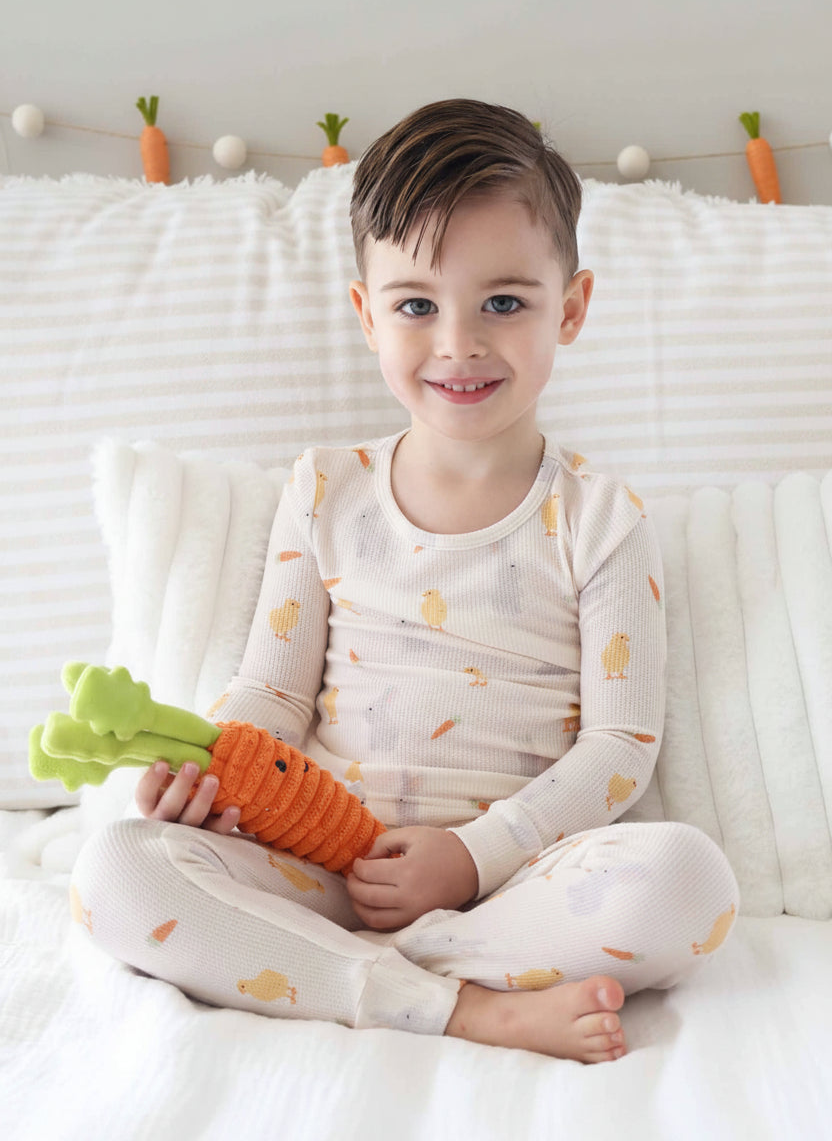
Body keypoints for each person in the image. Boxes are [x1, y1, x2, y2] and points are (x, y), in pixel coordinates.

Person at [71, 98, 740, 1064]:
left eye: (503, 302)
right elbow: (271, 689)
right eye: (417, 305)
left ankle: (375, 965)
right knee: (118, 870)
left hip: (506, 889)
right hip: (324, 869)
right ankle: (457, 1007)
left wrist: (473, 858)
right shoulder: (324, 490)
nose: (458, 343)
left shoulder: (602, 517)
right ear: (366, 312)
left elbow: (621, 746)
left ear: (574, 306)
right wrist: (223, 775)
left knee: (689, 879)